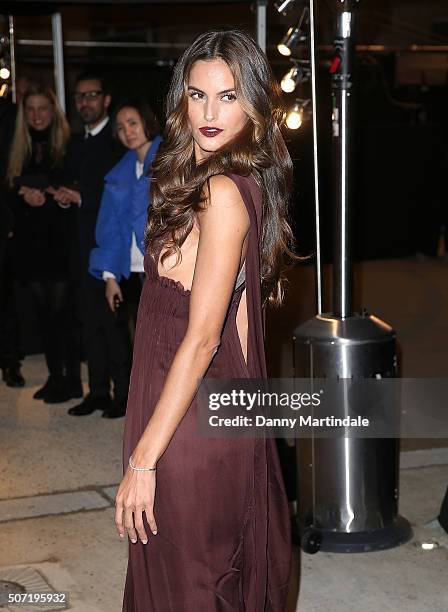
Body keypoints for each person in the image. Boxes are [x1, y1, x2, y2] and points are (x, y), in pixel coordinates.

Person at [115, 30, 295, 611]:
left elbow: (202, 339)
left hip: (191, 425)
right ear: (180, 99)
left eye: (228, 96)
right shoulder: (200, 179)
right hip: (184, 406)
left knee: (189, 585)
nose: (210, 113)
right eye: (198, 96)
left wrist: (145, 460)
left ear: (254, 108)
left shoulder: (221, 192)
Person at [52, 71, 131, 419]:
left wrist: (82, 198)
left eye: (92, 95)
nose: (85, 102)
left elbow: (123, 195)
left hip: (110, 247)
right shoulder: (74, 142)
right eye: (80, 96)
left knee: (112, 323)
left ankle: (124, 394)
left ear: (106, 100)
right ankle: (97, 391)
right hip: (80, 247)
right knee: (89, 321)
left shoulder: (118, 142)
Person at [4, 83, 81, 403]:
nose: (36, 115)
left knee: (63, 313)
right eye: (31, 109)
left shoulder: (68, 145)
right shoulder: (17, 147)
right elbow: (10, 191)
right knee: (43, 315)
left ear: (53, 112)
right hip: (31, 245)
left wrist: (54, 195)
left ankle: (72, 381)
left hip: (60, 243)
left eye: (42, 109)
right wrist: (22, 194)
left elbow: (75, 189)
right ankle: (54, 377)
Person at [89, 99, 162, 338]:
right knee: (141, 346)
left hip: (167, 271)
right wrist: (109, 277)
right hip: (130, 272)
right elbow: (109, 227)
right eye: (120, 127)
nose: (127, 131)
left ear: (147, 122)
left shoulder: (171, 162)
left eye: (132, 123)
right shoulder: (119, 173)